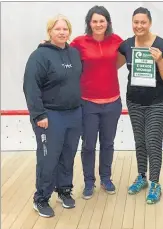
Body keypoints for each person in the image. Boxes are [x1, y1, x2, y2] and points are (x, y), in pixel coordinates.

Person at [23, 15, 82, 218]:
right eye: (57, 29)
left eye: (65, 29)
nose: (62, 32)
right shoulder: (39, 56)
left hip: (74, 114)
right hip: (49, 116)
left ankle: (64, 190)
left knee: (68, 156)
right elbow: (31, 88)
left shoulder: (73, 53)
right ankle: (41, 198)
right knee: (48, 159)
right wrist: (39, 114)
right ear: (50, 32)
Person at [118, 7, 163, 204]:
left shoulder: (162, 45)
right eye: (136, 22)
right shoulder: (126, 45)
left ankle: (155, 183)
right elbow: (109, 63)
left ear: (149, 23)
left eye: (143, 22)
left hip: (157, 101)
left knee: (152, 142)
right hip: (134, 101)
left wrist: (159, 60)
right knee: (140, 141)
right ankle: (141, 176)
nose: (139, 26)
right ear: (132, 23)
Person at [70, 6, 123, 199]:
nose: (99, 24)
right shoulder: (78, 43)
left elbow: (124, 58)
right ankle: (89, 182)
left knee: (108, 144)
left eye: (102, 21)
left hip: (113, 103)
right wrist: (47, 43)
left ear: (107, 22)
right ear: (89, 23)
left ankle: (106, 178)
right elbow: (62, 54)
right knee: (89, 145)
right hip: (88, 103)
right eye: (95, 21)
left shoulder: (117, 41)